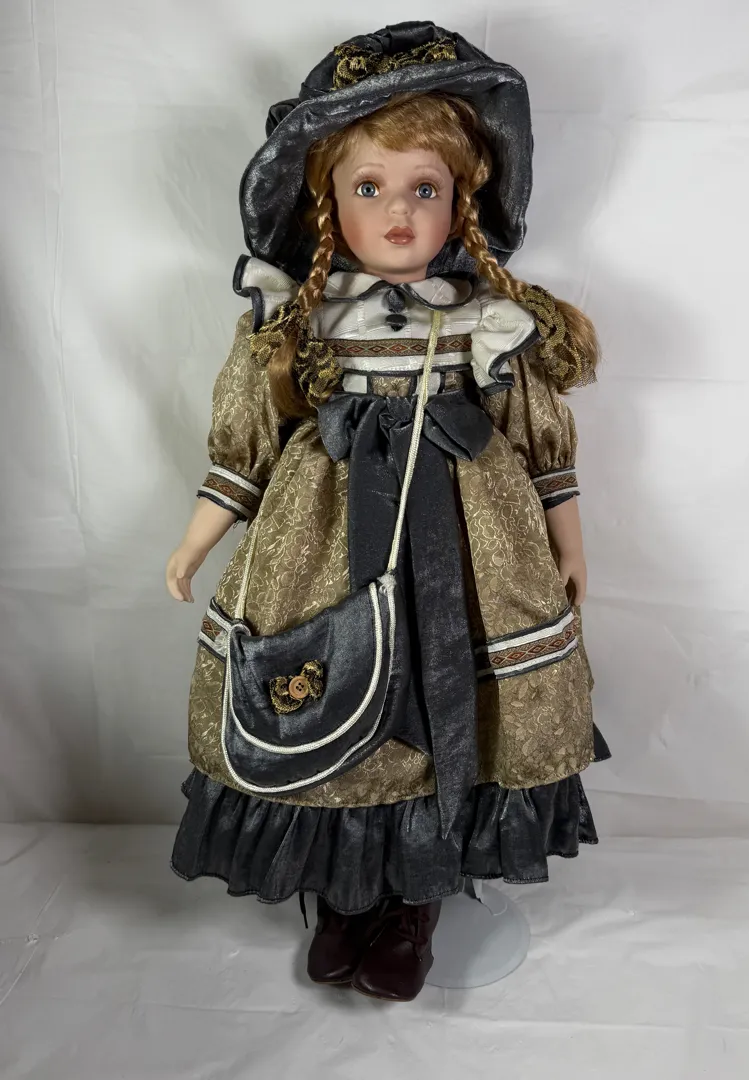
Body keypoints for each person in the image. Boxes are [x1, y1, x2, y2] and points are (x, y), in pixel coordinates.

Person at [166, 21, 611, 1003]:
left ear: (463, 201)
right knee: (338, 692)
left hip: (471, 542)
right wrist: (199, 537)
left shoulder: (485, 319)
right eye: (369, 187)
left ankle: (415, 901)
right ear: (327, 201)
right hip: (323, 539)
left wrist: (568, 541)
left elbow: (538, 440)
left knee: (447, 699)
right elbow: (248, 446)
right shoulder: (296, 322)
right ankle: (346, 896)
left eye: (425, 188)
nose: (399, 212)